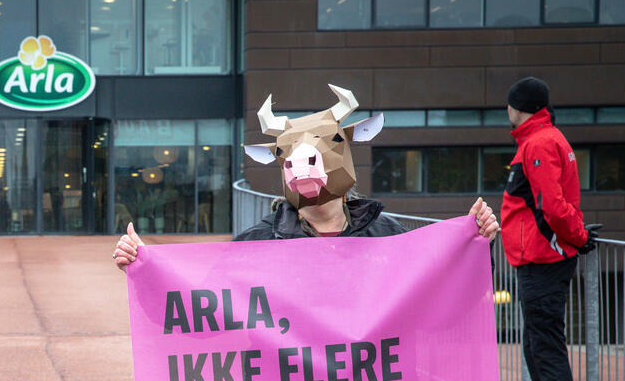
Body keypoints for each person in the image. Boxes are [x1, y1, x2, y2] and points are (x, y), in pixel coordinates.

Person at [114, 85, 497, 264]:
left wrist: (474, 241)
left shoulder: (387, 235)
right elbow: (200, 301)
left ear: (348, 146)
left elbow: (437, 279)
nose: (301, 161)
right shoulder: (258, 243)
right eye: (286, 155)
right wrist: (146, 266)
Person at [498, 77, 597, 381]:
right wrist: (577, 235)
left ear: (515, 106)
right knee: (536, 347)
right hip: (538, 257)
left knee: (546, 350)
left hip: (543, 258)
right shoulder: (541, 138)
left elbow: (552, 207)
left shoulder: (537, 142)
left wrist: (577, 234)